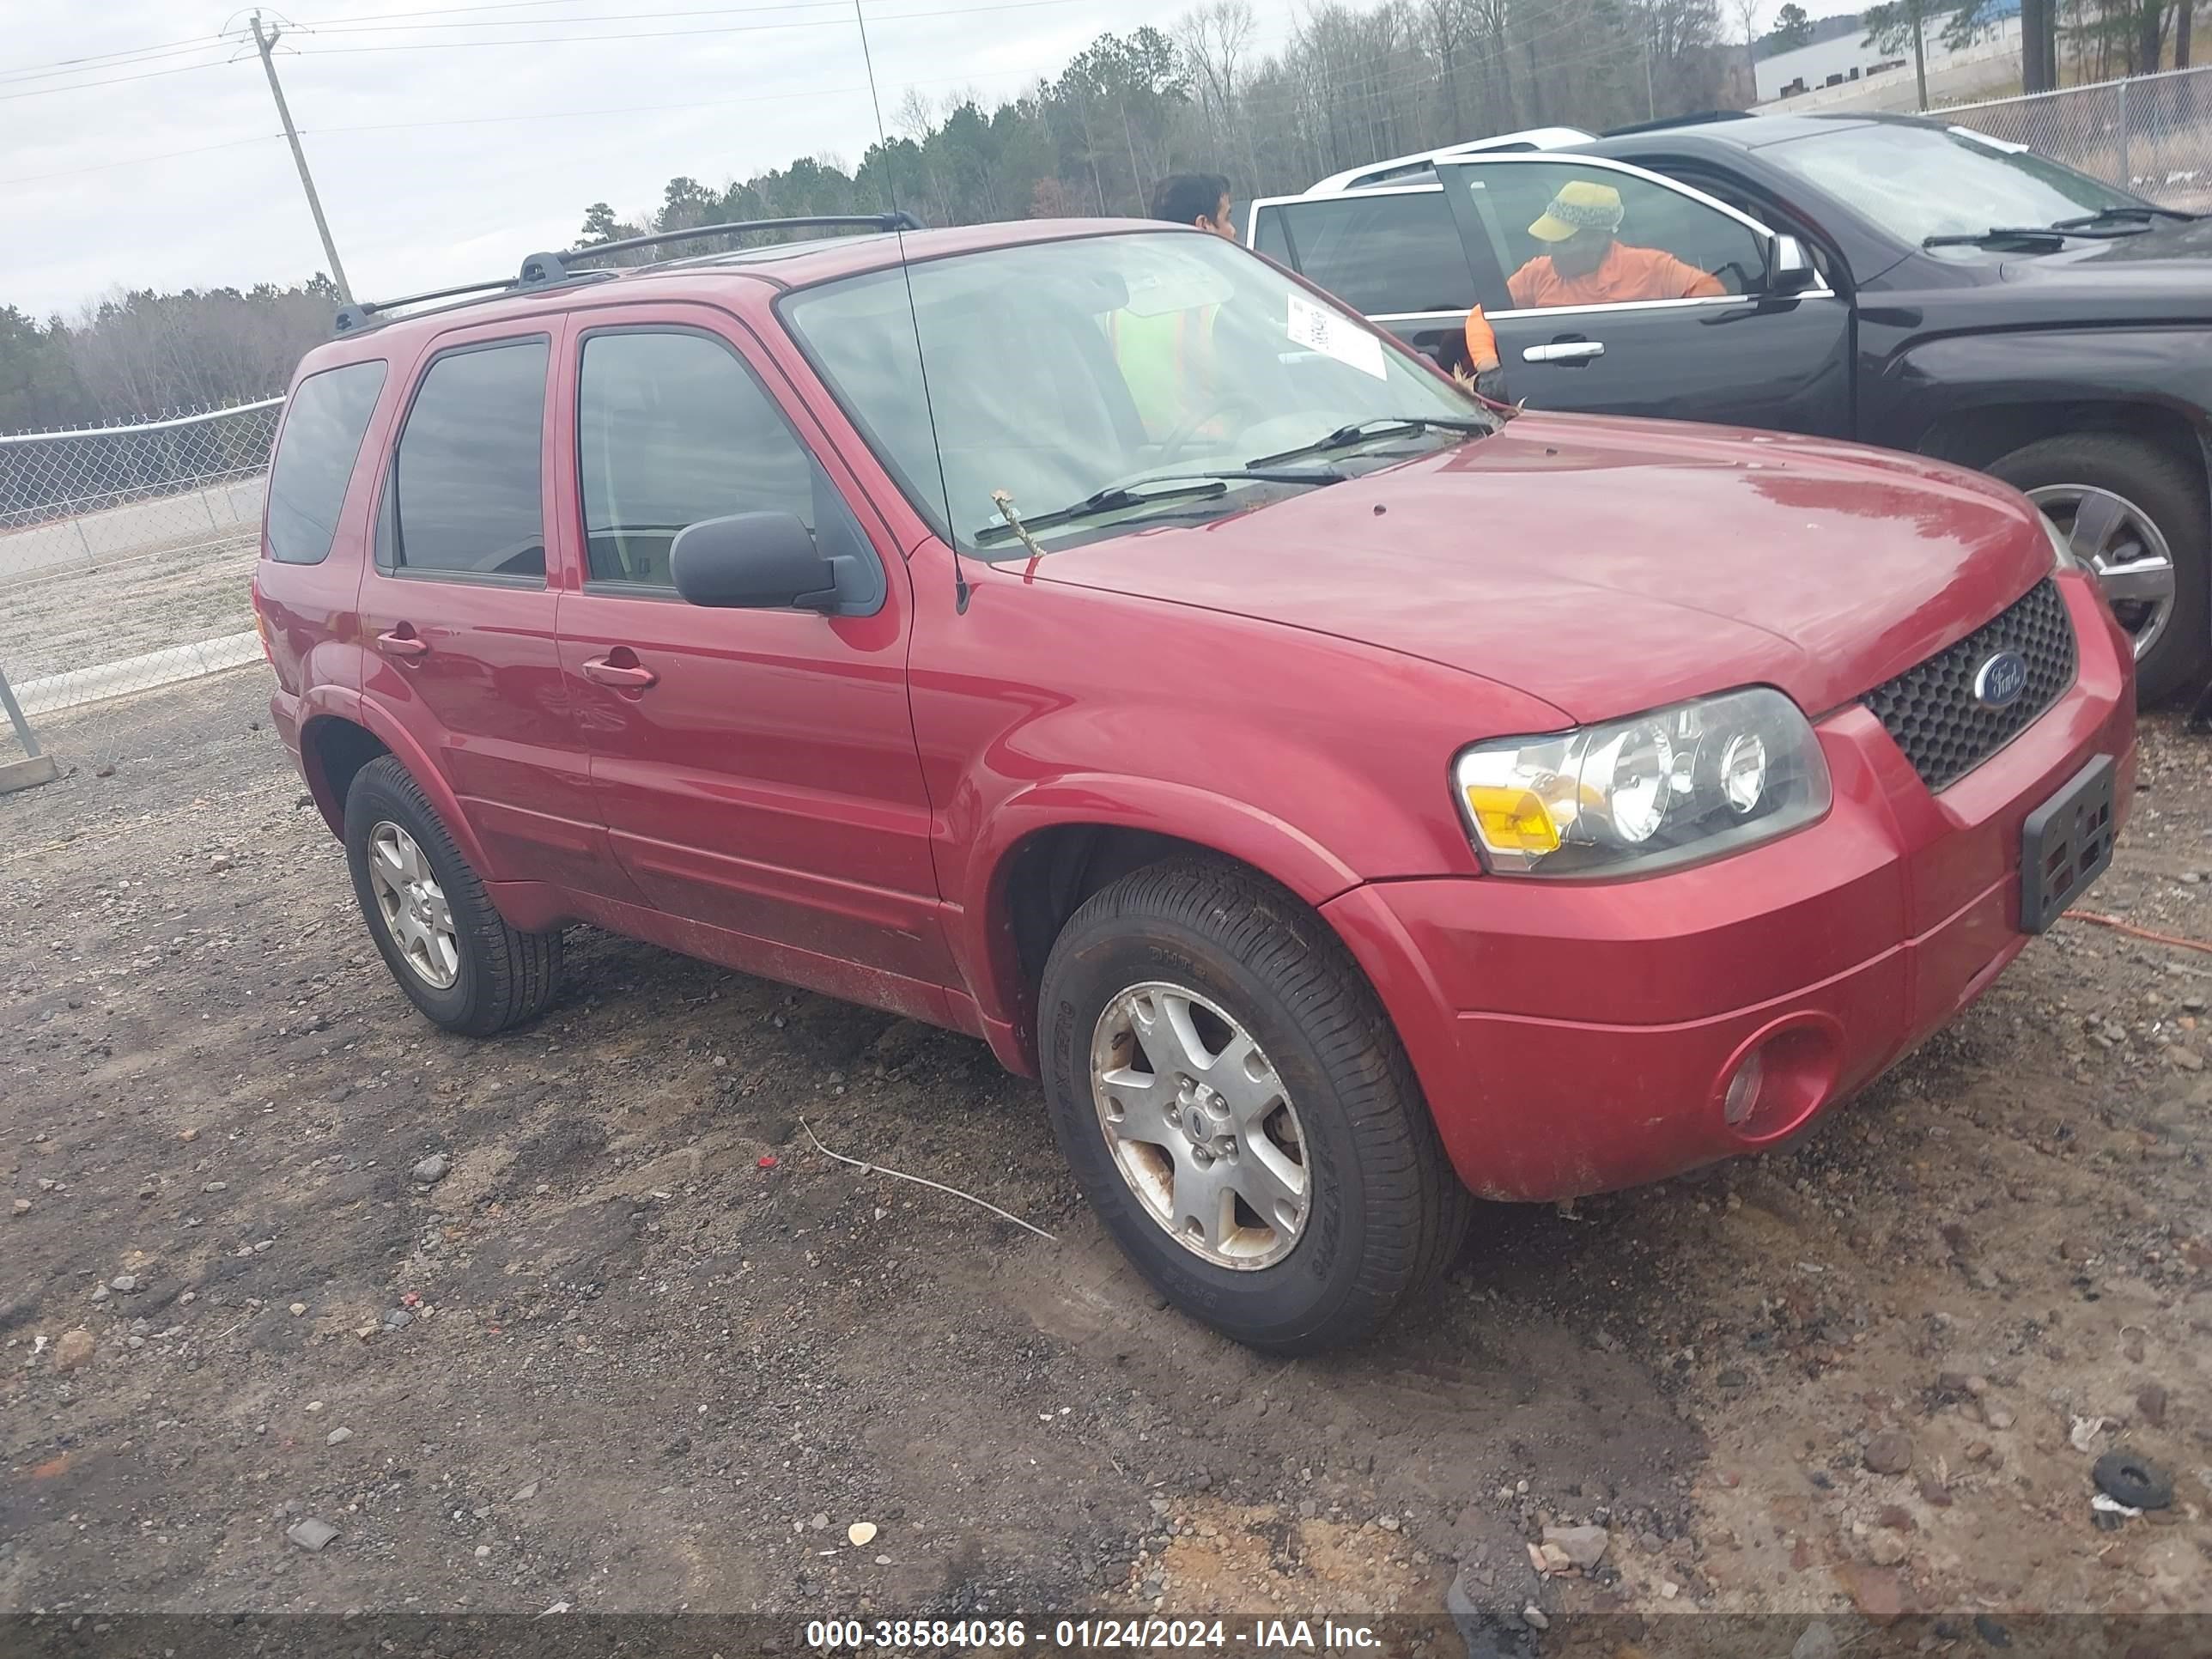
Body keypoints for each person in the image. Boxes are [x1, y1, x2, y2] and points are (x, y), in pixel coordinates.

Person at [1110, 173, 1237, 441]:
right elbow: (1275, 408)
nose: (1233, 230)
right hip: (1224, 466)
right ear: (1203, 225)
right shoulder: (1219, 309)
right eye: (1226, 218)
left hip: (1139, 470)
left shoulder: (1116, 310)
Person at [1506, 179, 1723, 310]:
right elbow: (1484, 313)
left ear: (1598, 238)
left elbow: (1713, 295)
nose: (1551, 248)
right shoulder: (1537, 274)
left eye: (1563, 240)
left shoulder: (1651, 268)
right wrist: (1488, 363)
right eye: (1550, 238)